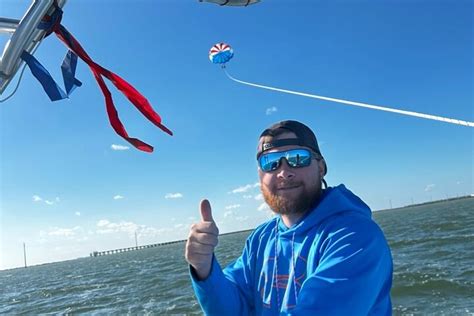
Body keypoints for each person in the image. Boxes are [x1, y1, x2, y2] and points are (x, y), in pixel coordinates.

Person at [185, 120, 393, 315]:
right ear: (260, 175)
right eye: (271, 162)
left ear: (321, 167)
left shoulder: (356, 236)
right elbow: (232, 308)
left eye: (297, 158)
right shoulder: (260, 239)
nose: (284, 172)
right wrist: (203, 268)